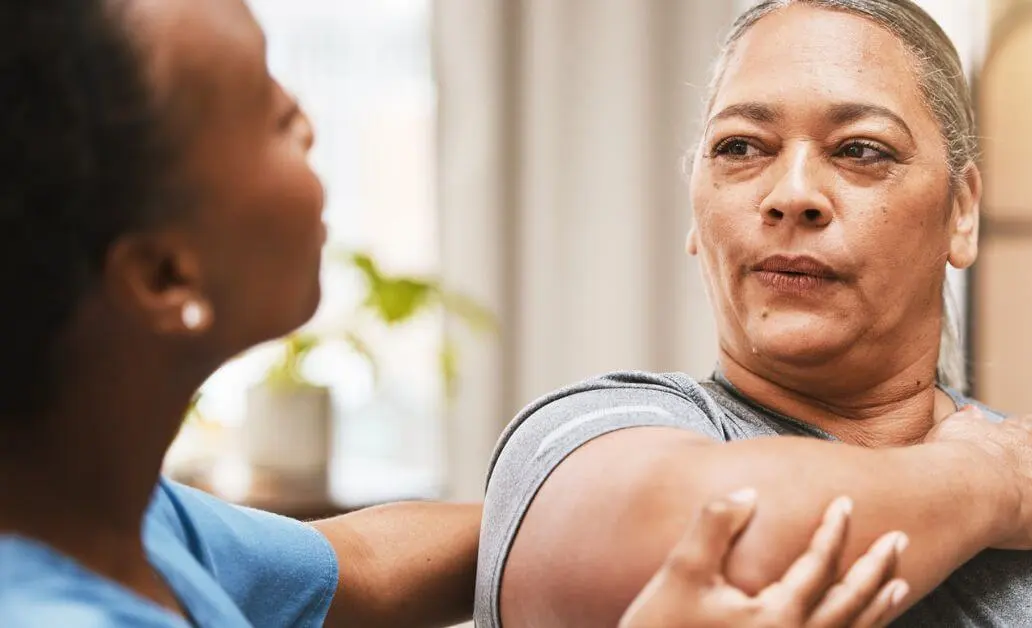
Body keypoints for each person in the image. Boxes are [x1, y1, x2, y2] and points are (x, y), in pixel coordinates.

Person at [0, 1, 913, 626]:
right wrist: (977, 481)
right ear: (164, 275)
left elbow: (357, 564)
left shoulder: (135, 524)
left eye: (863, 149)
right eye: (268, 114)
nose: (309, 122)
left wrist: (579, 499)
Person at [478, 1, 1032, 626]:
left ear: (962, 213)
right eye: (740, 147)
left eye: (860, 149)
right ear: (695, 213)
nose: (792, 194)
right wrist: (988, 485)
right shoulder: (580, 439)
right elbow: (708, 540)